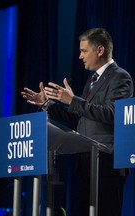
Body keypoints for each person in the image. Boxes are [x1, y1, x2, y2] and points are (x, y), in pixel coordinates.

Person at [21, 28, 134, 215]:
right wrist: (48, 104)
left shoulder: (120, 77)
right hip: (87, 163)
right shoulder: (92, 81)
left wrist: (73, 100)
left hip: (107, 164)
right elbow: (79, 116)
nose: (80, 56)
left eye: (84, 51)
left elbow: (113, 114)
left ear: (100, 50)